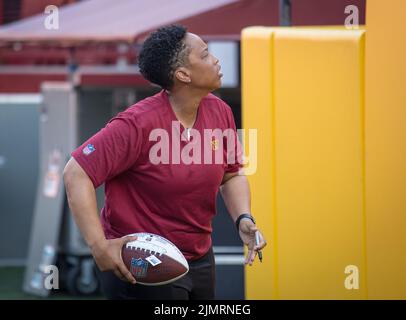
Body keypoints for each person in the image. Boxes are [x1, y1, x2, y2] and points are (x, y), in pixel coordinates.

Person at [63, 25, 266, 300]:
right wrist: (99, 246)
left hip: (200, 257)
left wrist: (243, 217)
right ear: (183, 75)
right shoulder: (136, 124)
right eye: (205, 55)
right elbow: (76, 173)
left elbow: (231, 175)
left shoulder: (220, 111)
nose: (215, 60)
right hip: (144, 264)